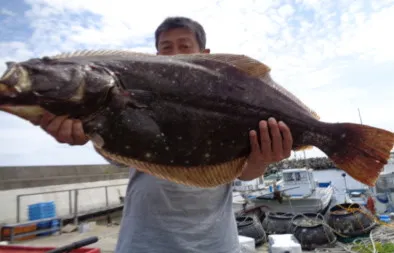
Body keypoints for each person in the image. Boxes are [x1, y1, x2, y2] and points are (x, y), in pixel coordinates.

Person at [37, 16, 293, 253]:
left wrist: (262, 158)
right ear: (155, 56)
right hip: (144, 242)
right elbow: (119, 156)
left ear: (205, 56)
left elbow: (244, 172)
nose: (176, 55)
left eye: (184, 46)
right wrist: (89, 130)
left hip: (215, 242)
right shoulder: (136, 96)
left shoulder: (229, 102)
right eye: (166, 48)